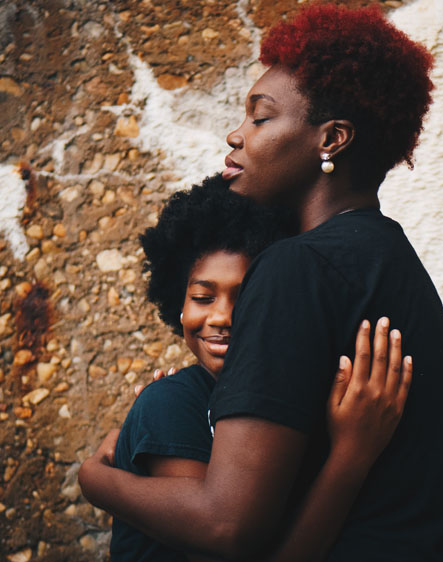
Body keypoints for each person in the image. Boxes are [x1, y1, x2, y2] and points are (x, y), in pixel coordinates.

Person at [79, 4, 443, 560]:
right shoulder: (395, 259)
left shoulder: (296, 266)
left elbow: (227, 528)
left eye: (260, 118)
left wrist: (95, 480)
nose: (236, 135)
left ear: (332, 139)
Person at [110, 174, 413, 561]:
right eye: (203, 297)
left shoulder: (285, 403)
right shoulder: (172, 404)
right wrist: (351, 455)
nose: (221, 316)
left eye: (247, 297)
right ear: (178, 304)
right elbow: (228, 538)